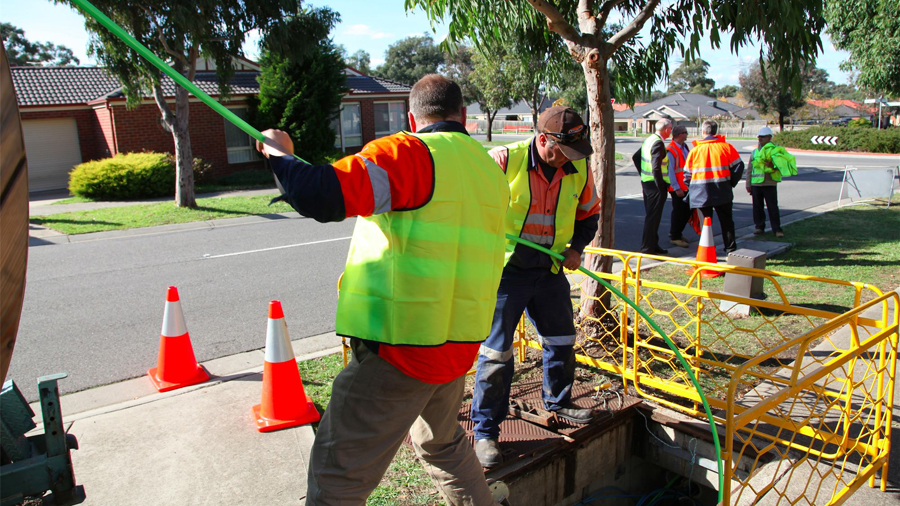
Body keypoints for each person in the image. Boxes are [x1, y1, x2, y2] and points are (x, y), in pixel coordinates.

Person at [256, 74, 510, 506]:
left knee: (337, 476)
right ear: (463, 115)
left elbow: (320, 195)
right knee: (442, 444)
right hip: (457, 347)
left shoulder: (409, 154)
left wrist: (279, 152)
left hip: (401, 351)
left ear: (412, 118)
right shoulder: (488, 170)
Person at [470, 106, 600, 469]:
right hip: (506, 274)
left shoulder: (577, 168)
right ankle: (485, 431)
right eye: (561, 152)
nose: (566, 162)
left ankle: (558, 402)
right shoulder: (502, 161)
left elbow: (589, 213)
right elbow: (469, 206)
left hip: (549, 269)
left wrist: (575, 249)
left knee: (561, 340)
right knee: (496, 354)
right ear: (542, 140)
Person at [683, 120, 744, 254]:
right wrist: (730, 183)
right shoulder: (726, 148)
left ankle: (707, 252)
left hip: (700, 192)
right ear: (716, 131)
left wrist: (692, 187)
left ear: (703, 132)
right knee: (726, 221)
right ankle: (730, 249)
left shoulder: (695, 150)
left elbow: (687, 175)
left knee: (705, 224)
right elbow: (739, 167)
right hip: (722, 190)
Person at [637, 118, 673, 254]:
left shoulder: (649, 139)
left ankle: (653, 244)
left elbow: (636, 157)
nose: (670, 131)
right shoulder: (658, 143)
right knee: (653, 217)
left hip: (647, 182)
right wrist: (661, 186)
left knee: (653, 216)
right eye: (670, 129)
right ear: (666, 129)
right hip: (655, 185)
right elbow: (656, 167)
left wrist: (643, 174)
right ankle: (647, 247)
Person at [746, 126, 784, 237]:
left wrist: (773, 166)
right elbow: (749, 169)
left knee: (772, 208)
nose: (760, 139)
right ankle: (759, 227)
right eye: (759, 137)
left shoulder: (775, 151)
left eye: (763, 137)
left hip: (769, 183)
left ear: (769, 138)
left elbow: (782, 167)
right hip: (756, 184)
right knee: (757, 207)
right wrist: (748, 183)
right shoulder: (754, 152)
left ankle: (777, 229)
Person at [666, 125, 692, 248]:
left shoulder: (684, 147)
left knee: (687, 211)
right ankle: (675, 236)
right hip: (678, 187)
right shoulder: (671, 149)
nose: (687, 134)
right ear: (679, 135)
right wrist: (676, 187)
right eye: (685, 132)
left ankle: (677, 232)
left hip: (686, 185)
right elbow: (670, 170)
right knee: (679, 211)